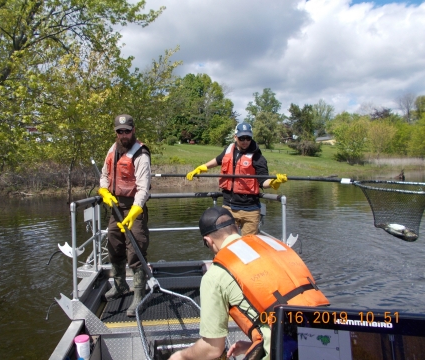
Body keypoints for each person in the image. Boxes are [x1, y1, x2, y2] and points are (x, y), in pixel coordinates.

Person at [170, 207, 330, 360]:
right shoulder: (274, 245)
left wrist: (181, 356)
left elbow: (213, 348)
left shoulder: (215, 275)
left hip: (287, 352)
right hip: (326, 338)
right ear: (236, 229)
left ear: (208, 241)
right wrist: (252, 345)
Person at [186, 122, 288, 236]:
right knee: (228, 242)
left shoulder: (258, 157)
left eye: (248, 138)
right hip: (229, 207)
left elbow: (263, 181)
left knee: (248, 245)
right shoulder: (229, 150)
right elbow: (218, 160)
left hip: (250, 210)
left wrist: (274, 182)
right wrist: (202, 167)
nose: (245, 141)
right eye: (241, 138)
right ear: (235, 137)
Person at [98, 114, 151, 317]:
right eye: (120, 131)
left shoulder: (141, 155)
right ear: (116, 132)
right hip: (115, 207)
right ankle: (119, 285)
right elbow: (104, 175)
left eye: (127, 131)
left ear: (133, 130)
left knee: (135, 250)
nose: (123, 135)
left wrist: (136, 210)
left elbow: (143, 188)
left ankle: (139, 294)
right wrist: (104, 191)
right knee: (114, 246)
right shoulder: (113, 149)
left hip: (133, 208)